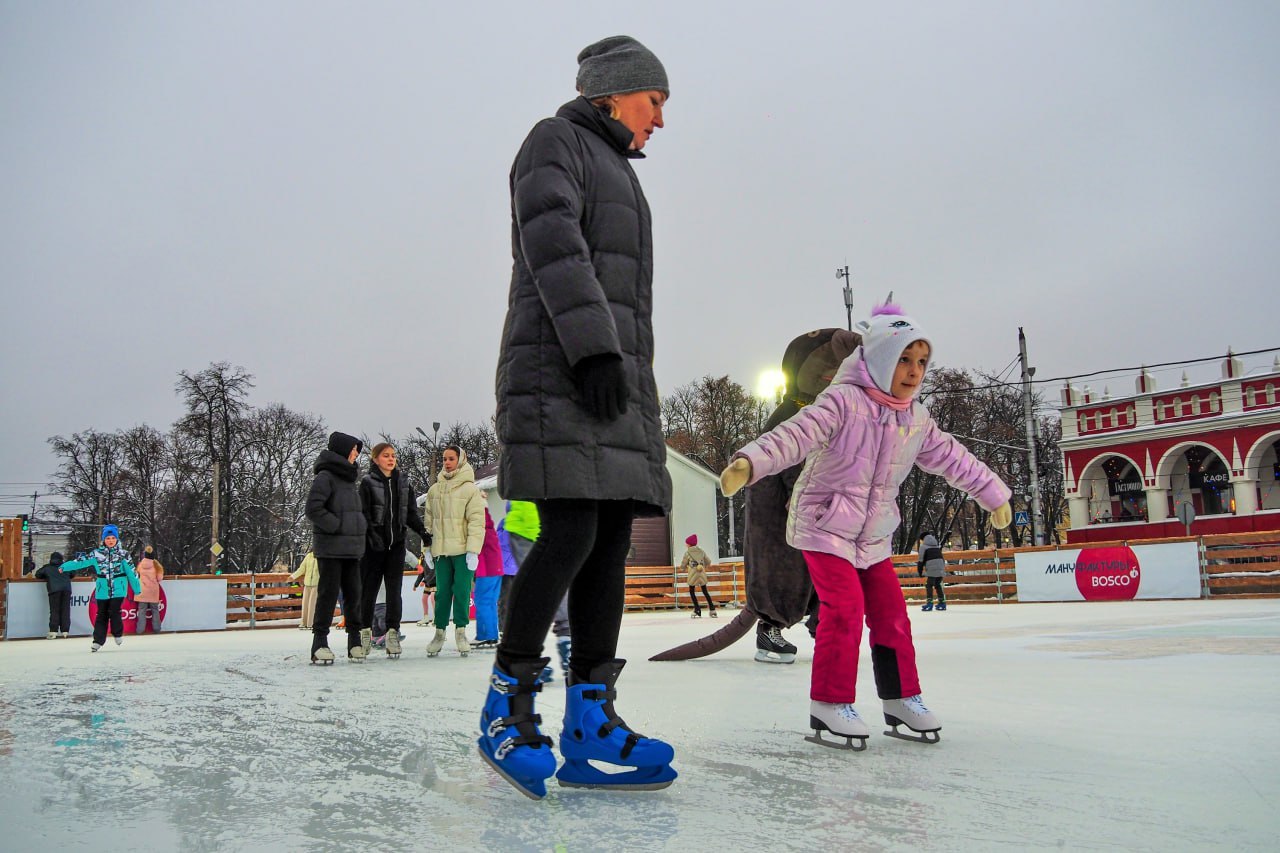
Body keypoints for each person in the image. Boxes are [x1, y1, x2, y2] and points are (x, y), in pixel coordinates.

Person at [482, 35, 677, 799]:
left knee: (609, 540)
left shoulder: (620, 171)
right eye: (655, 101)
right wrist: (595, 350)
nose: (661, 118)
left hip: (610, 380)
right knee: (569, 530)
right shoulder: (554, 141)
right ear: (614, 93)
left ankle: (591, 718)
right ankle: (506, 705)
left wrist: (621, 370)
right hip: (560, 370)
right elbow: (553, 241)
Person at [720, 302, 1013, 749]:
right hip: (822, 525)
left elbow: (954, 459)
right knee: (844, 609)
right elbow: (795, 435)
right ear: (878, 359)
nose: (914, 371)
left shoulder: (916, 419)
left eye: (921, 361)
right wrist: (749, 462)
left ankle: (901, 698)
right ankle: (830, 704)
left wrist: (993, 494)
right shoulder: (841, 401)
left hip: (872, 535)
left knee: (892, 615)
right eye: (904, 359)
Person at [358, 441, 430, 659]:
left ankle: (392, 633)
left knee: (394, 592)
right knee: (369, 591)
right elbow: (363, 514)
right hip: (373, 547)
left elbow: (410, 513)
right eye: (386, 455)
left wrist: (422, 532)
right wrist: (372, 536)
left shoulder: (403, 482)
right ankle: (365, 633)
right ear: (375, 459)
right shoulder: (367, 483)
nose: (391, 459)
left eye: (393, 455)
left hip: (395, 546)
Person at [304, 431, 368, 665]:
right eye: (353, 449)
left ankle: (355, 642)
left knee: (354, 595)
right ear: (342, 450)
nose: (356, 454)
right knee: (328, 595)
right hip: (331, 548)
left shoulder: (349, 480)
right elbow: (313, 508)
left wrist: (360, 528)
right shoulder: (326, 477)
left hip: (351, 549)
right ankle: (319, 643)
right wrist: (337, 526)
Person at [422, 445, 485, 657]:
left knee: (461, 591)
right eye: (444, 459)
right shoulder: (434, 490)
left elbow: (476, 521)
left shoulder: (470, 489)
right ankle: (439, 633)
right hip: (441, 551)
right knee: (441, 593)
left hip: (462, 550)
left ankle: (461, 631)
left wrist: (473, 550)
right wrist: (427, 548)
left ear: (460, 460)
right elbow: (428, 522)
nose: (447, 462)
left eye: (451, 458)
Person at [58, 525, 141, 651]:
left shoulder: (123, 554)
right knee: (101, 614)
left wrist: (137, 588)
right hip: (103, 589)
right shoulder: (96, 554)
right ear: (104, 540)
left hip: (119, 588)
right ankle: (98, 641)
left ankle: (117, 633)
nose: (110, 541)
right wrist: (64, 567)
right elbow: (80, 561)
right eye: (108, 538)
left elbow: (131, 572)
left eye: (113, 538)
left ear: (117, 539)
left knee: (114, 611)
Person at [497, 499, 539, 634]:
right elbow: (499, 541)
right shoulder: (504, 522)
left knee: (522, 600)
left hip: (521, 567)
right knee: (505, 600)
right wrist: (510, 531)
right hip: (506, 569)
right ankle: (504, 628)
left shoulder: (530, 522)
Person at [472, 503, 504, 649]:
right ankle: (492, 634)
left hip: (486, 571)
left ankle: (485, 635)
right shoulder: (491, 530)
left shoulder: (480, 530)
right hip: (497, 571)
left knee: (482, 601)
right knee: (490, 603)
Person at [34, 551, 71, 639]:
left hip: (54, 590)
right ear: (61, 559)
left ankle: (53, 631)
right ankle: (65, 631)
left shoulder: (47, 567)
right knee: (65, 610)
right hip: (66, 589)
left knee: (55, 610)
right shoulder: (66, 566)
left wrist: (47, 576)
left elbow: (38, 574)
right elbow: (73, 574)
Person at [678, 534, 716, 618]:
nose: (686, 545)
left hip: (692, 575)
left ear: (689, 544)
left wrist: (683, 568)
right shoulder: (702, 551)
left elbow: (683, 565)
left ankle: (697, 609)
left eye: (686, 543)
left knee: (692, 592)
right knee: (705, 591)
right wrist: (702, 565)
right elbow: (709, 562)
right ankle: (712, 609)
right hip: (701, 574)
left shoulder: (687, 553)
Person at [134, 546, 165, 633]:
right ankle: (157, 629)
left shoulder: (140, 564)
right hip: (152, 591)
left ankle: (140, 630)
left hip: (142, 590)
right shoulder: (157, 565)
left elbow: (137, 574)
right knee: (155, 610)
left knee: (141, 611)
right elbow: (159, 578)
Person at [290, 550, 320, 630]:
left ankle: (311, 624)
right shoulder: (309, 556)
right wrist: (293, 576)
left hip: (316, 584)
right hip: (307, 584)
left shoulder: (322, 557)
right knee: (305, 604)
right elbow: (302, 569)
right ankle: (304, 623)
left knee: (312, 605)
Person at [916, 535, 946, 612]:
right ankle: (942, 603)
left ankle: (929, 603)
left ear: (923, 539)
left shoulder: (923, 547)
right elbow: (941, 558)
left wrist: (920, 572)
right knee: (937, 584)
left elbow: (921, 560)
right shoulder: (936, 546)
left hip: (932, 567)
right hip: (941, 566)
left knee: (929, 585)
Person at [413, 553, 436, 627]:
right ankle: (426, 617)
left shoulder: (434, 557)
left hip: (435, 582)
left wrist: (425, 581)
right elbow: (421, 573)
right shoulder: (423, 558)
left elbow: (434, 572)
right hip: (428, 583)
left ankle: (436, 617)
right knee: (424, 599)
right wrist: (416, 584)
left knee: (433, 598)